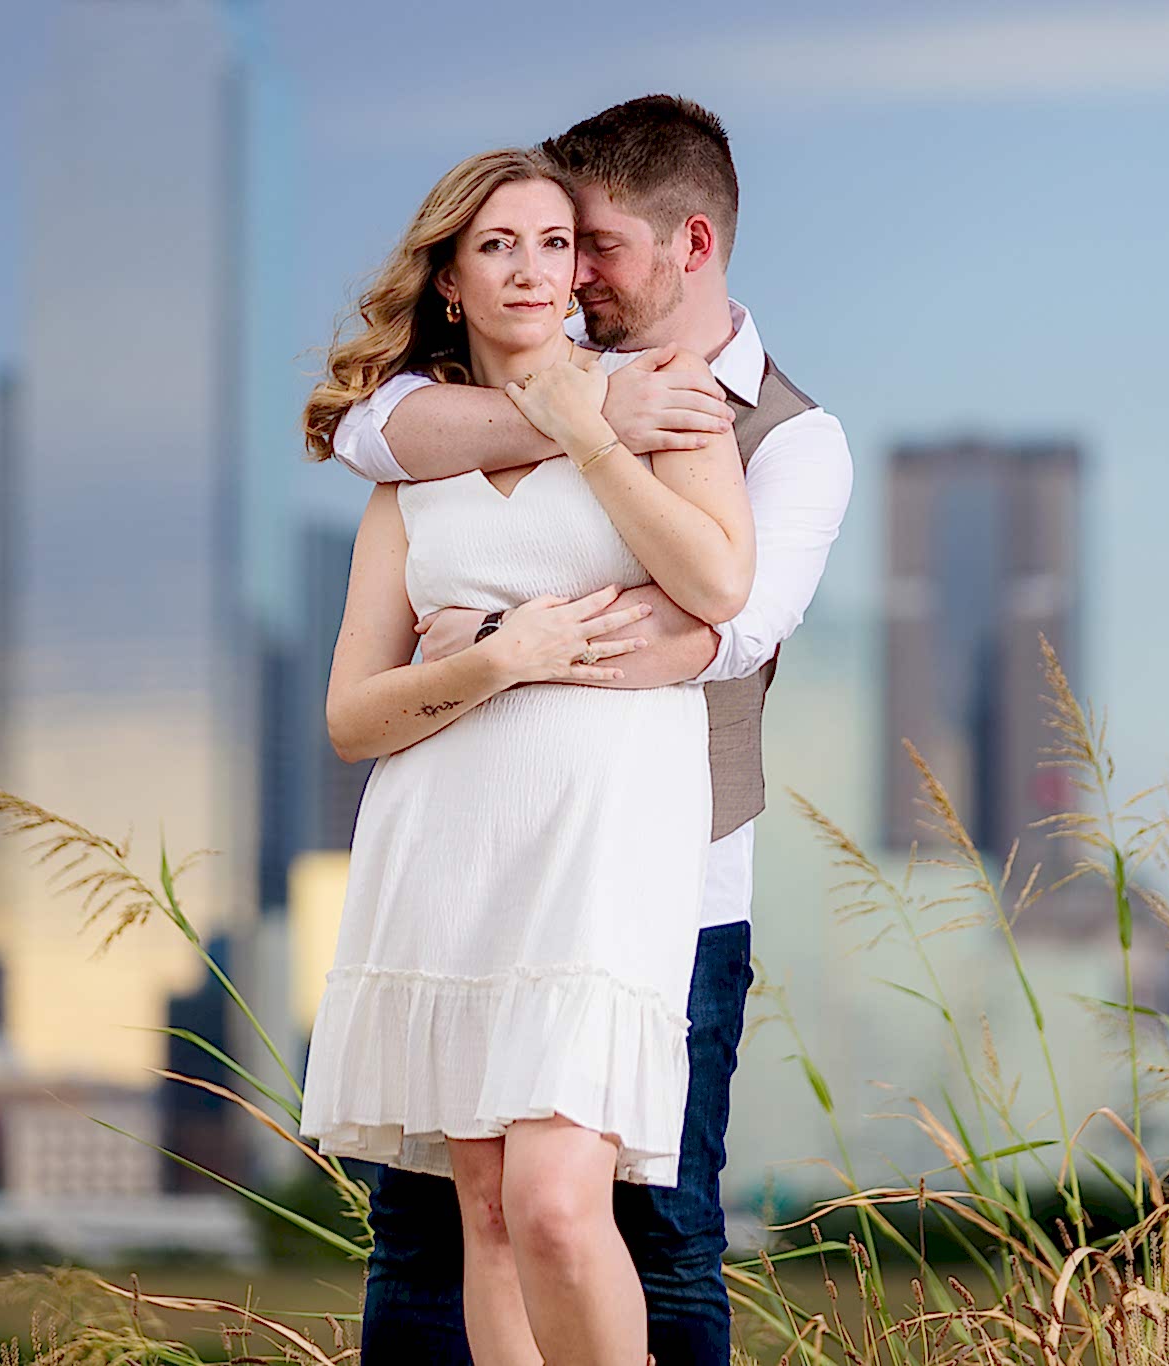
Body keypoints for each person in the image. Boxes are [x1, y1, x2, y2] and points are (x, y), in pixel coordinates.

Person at [331, 96, 855, 1365]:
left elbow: (716, 629)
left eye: (584, 243)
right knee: (447, 1228)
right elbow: (363, 432)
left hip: (665, 874)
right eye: (517, 243)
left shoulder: (777, 433)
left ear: (687, 242)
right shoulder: (466, 421)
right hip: (462, 846)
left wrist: (513, 643)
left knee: (647, 1226)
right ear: (453, 279)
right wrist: (577, 418)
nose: (566, 272)